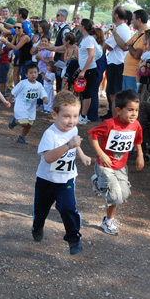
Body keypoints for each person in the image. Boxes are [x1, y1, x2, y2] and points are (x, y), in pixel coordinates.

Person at [31, 91, 92, 255]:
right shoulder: (50, 134)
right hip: (46, 180)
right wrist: (68, 146)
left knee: (68, 208)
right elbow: (49, 157)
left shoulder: (73, 128)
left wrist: (82, 155)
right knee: (41, 210)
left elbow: (76, 142)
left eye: (75, 116)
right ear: (54, 114)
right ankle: (37, 227)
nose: (71, 121)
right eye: (66, 116)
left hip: (66, 179)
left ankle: (74, 239)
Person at [88, 89, 144, 235]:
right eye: (130, 110)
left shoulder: (135, 125)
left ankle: (98, 183)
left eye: (136, 110)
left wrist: (140, 155)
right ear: (118, 110)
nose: (134, 114)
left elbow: (138, 140)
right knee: (115, 196)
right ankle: (108, 221)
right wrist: (101, 155)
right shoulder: (109, 124)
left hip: (120, 165)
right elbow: (92, 136)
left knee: (124, 194)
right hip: (105, 165)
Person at [102, 6, 132, 119]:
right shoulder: (122, 28)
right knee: (114, 94)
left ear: (116, 15)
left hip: (117, 64)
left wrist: (113, 33)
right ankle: (115, 119)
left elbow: (107, 46)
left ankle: (115, 122)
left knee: (114, 95)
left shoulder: (120, 29)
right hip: (117, 63)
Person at [8, 63, 48, 144]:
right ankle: (14, 121)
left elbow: (43, 93)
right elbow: (13, 92)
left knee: (29, 125)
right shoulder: (23, 83)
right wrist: (9, 101)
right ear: (26, 74)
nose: (33, 75)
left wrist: (45, 99)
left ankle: (22, 137)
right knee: (24, 123)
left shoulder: (39, 85)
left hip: (31, 109)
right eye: (31, 73)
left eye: (35, 72)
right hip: (21, 107)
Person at [112, 9, 148, 93]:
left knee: (130, 99)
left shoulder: (145, 34)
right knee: (126, 99)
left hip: (133, 74)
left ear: (139, 20)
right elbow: (125, 46)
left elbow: (136, 55)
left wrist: (129, 46)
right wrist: (114, 32)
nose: (131, 21)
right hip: (128, 72)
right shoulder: (137, 34)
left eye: (133, 19)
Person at [76, 19, 101, 124]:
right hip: (85, 69)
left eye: (81, 25)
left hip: (89, 69)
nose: (79, 26)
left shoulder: (89, 40)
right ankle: (82, 114)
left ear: (84, 27)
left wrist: (84, 70)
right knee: (83, 93)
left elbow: (91, 56)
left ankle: (84, 115)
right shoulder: (85, 39)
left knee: (86, 93)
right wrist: (81, 68)